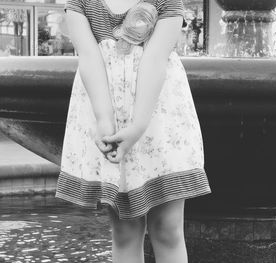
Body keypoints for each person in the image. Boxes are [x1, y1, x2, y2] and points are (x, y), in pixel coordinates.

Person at [55, 0, 211, 262]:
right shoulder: (82, 3)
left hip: (157, 119)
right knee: (125, 231)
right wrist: (105, 120)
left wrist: (138, 126)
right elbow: (89, 57)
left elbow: (155, 59)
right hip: (108, 115)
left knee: (167, 228)